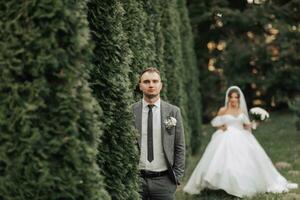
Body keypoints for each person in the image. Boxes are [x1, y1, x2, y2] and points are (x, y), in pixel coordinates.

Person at [183, 86, 298, 198]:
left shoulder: (241, 110)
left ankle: (240, 185)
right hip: (225, 137)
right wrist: (221, 128)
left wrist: (255, 123)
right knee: (219, 161)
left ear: (238, 98)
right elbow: (217, 123)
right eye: (231, 97)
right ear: (228, 98)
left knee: (244, 162)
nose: (233, 99)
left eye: (236, 97)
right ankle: (217, 184)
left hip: (240, 136)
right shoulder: (223, 110)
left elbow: (247, 126)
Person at [132, 67, 185, 200]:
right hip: (137, 180)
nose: (151, 85)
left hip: (164, 181)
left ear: (161, 85)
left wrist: (176, 177)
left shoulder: (173, 112)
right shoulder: (131, 111)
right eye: (146, 81)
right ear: (140, 86)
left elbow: (179, 146)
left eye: (155, 81)